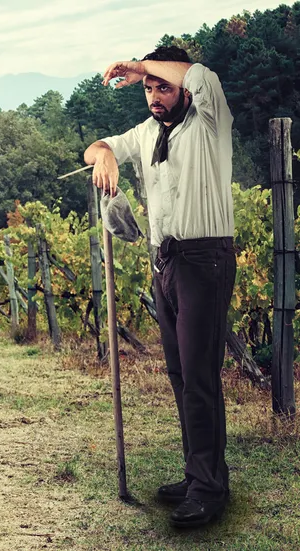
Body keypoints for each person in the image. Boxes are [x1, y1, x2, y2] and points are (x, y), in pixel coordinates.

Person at [84, 46, 236, 528]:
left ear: (182, 87)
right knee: (178, 375)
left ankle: (210, 489)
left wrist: (141, 65)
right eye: (148, 88)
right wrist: (104, 155)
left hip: (205, 259)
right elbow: (95, 147)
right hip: (166, 262)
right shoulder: (149, 132)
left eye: (161, 85)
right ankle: (198, 475)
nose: (153, 94)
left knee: (199, 377)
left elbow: (201, 73)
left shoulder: (210, 117)